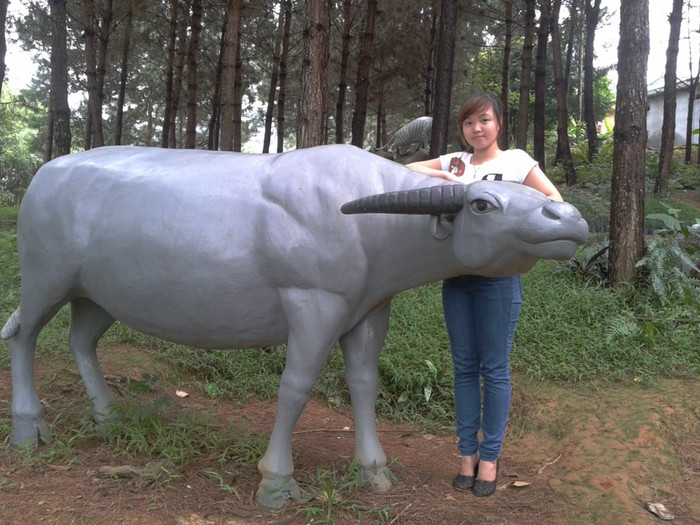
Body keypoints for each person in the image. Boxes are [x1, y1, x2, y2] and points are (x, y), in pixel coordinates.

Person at [406, 92, 563, 497]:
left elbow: (554, 202)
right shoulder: (456, 162)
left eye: (484, 120)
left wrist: (513, 216)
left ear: (498, 124)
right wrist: (444, 177)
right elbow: (407, 169)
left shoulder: (516, 162)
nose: (477, 129)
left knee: (494, 370)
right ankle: (466, 454)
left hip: (498, 280)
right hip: (456, 277)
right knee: (463, 368)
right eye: (469, 122)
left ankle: (489, 458)